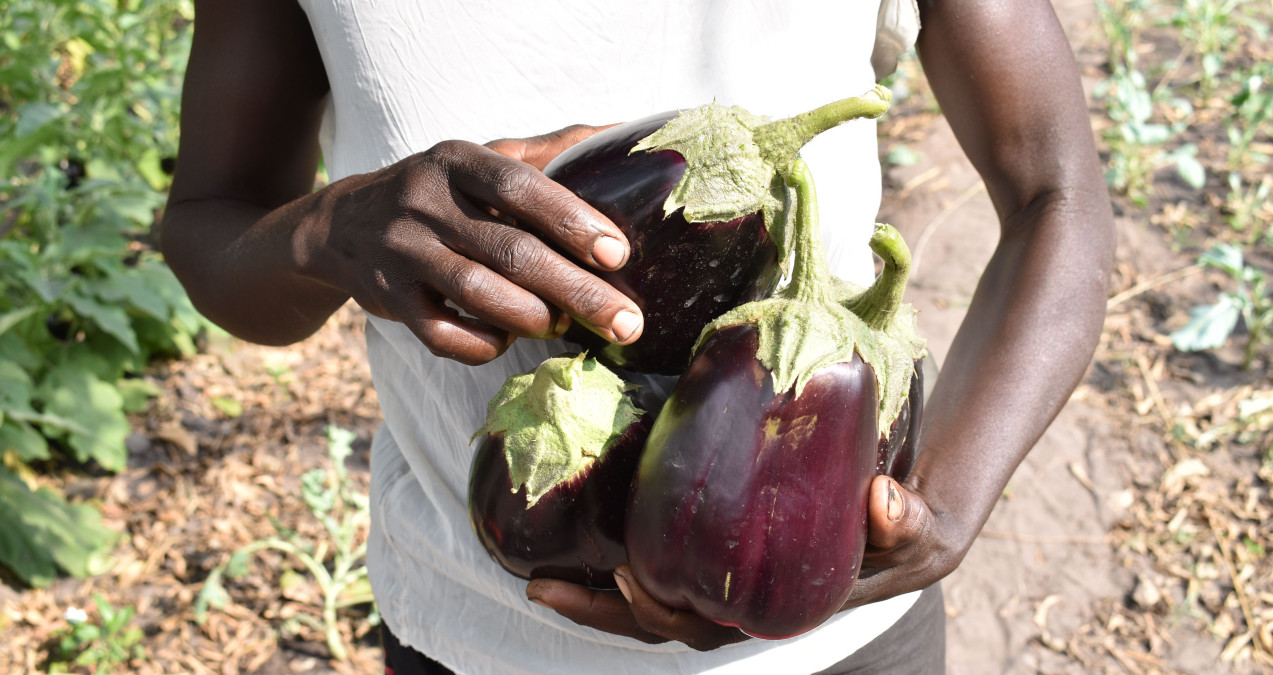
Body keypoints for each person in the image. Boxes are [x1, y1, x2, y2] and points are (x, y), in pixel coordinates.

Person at [160, 0, 1115, 673]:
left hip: (837, 642)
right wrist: (326, 231)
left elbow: (1054, 190)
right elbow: (211, 225)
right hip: (470, 629)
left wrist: (943, 507)